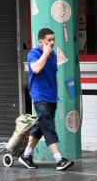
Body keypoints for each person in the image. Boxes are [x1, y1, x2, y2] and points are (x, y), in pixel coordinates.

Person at [20, 27, 74, 171]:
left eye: (53, 40)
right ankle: (59, 159)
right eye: (49, 40)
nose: (52, 43)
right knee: (48, 126)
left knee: (40, 127)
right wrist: (45, 53)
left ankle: (26, 155)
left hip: (51, 97)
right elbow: (36, 69)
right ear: (41, 41)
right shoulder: (33, 53)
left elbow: (53, 75)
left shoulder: (54, 55)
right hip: (39, 96)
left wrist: (57, 94)